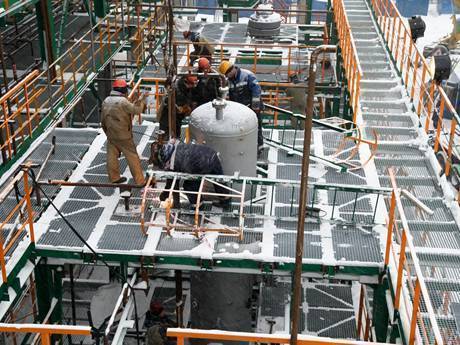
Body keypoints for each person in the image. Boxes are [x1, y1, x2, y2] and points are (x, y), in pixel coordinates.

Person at [150, 139, 230, 208]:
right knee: (217, 179)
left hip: (201, 164)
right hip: (211, 154)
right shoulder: (175, 146)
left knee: (189, 186)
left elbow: (172, 184)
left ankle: (197, 206)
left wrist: (164, 196)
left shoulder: (172, 163)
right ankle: (225, 200)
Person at [101, 79, 146, 185]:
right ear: (124, 90)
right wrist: (142, 100)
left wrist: (107, 133)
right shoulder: (123, 102)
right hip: (124, 136)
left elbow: (102, 120)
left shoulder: (106, 100)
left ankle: (114, 178)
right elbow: (137, 110)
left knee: (112, 156)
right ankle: (140, 181)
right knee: (132, 157)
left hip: (111, 134)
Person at [218, 60, 264, 150]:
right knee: (241, 129)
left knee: (256, 127)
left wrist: (255, 108)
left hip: (252, 107)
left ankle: (259, 147)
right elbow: (230, 96)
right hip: (240, 110)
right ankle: (245, 146)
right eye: (226, 75)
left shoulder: (247, 75)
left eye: (228, 73)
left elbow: (256, 91)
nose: (227, 76)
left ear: (232, 69)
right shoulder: (229, 81)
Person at [158, 74, 198, 139]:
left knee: (176, 136)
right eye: (192, 84)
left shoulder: (188, 89)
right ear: (186, 82)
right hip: (167, 116)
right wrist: (177, 108)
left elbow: (189, 99)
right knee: (164, 136)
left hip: (178, 118)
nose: (193, 86)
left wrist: (187, 107)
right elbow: (167, 101)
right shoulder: (175, 88)